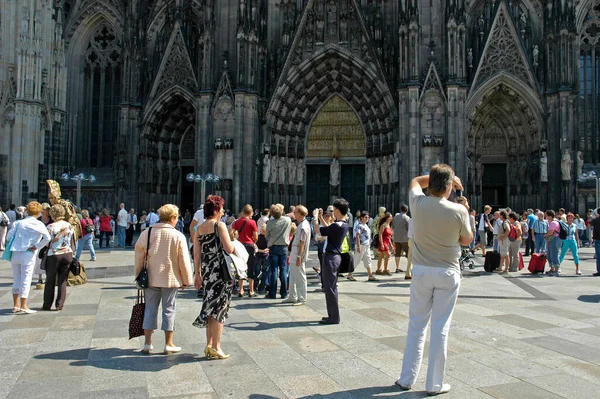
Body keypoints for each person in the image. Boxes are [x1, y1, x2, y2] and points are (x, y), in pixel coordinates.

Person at [397, 164, 472, 396]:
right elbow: (467, 240)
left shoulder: (417, 204)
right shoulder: (459, 211)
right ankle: (435, 384)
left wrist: (442, 178)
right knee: (440, 328)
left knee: (416, 325)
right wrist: (465, 210)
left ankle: (407, 378)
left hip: (421, 272)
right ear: (449, 187)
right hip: (447, 273)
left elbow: (415, 182)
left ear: (432, 182)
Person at [135, 204, 192, 355]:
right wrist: (186, 280)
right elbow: (184, 260)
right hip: (170, 279)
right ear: (173, 218)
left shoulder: (147, 233)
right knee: (169, 310)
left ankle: (147, 343)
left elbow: (139, 255)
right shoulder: (178, 236)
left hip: (151, 278)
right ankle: (168, 343)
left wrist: (138, 275)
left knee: (150, 309)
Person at [192, 195, 234, 360]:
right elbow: (229, 249)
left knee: (210, 308)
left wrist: (197, 275)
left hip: (208, 273)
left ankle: (209, 346)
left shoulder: (200, 228)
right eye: (222, 208)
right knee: (219, 310)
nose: (223, 211)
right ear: (216, 210)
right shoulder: (219, 225)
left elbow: (196, 255)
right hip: (221, 273)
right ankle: (216, 347)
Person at [6, 202, 50, 313]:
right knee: (26, 278)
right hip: (28, 253)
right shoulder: (39, 224)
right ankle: (24, 305)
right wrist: (37, 246)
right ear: (39, 212)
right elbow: (47, 238)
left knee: (16, 278)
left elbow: (8, 237)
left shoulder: (18, 223)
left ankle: (15, 305)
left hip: (15, 253)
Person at [312, 198, 350, 325]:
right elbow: (329, 229)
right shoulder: (343, 224)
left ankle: (334, 317)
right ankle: (332, 315)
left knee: (330, 288)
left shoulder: (337, 225)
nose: (332, 213)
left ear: (338, 210)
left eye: (333, 210)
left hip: (331, 257)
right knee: (330, 287)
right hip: (334, 256)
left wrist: (315, 218)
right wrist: (322, 218)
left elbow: (318, 230)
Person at [43, 204, 75, 311]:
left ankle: (47, 304)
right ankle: (59, 304)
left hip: (54, 255)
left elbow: (46, 242)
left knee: (50, 280)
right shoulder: (69, 226)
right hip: (67, 254)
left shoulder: (50, 227)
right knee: (62, 280)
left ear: (52, 213)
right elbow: (73, 241)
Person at [265, 204, 292, 299]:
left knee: (273, 270)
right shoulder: (287, 220)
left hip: (273, 247)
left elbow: (266, 235)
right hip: (284, 247)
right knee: (284, 270)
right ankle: (284, 293)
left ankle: (272, 293)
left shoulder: (270, 223)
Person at [284, 205, 310, 305]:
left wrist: (299, 256)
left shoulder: (304, 226)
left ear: (299, 213)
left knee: (300, 277)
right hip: (294, 253)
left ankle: (302, 298)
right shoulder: (301, 224)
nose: (294, 214)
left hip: (298, 255)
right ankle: (292, 296)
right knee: (293, 277)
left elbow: (302, 242)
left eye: (295, 212)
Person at [231, 205, 258, 297]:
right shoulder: (252, 222)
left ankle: (241, 290)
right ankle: (251, 291)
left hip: (240, 246)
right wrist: (253, 242)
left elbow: (231, 232)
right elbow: (255, 236)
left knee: (240, 267)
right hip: (249, 246)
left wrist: (234, 240)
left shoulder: (237, 222)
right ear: (251, 213)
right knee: (251, 267)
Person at [354, 211, 378, 282]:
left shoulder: (366, 225)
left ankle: (370, 275)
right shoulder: (359, 225)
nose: (367, 218)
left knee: (368, 260)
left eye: (368, 217)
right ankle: (350, 274)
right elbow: (357, 236)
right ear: (361, 218)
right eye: (365, 217)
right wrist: (358, 246)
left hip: (366, 245)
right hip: (361, 245)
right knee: (357, 260)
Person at [392, 205, 410, 273]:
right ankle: (409, 267)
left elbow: (393, 227)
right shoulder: (406, 217)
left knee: (397, 253)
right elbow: (409, 228)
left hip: (397, 238)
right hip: (405, 238)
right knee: (408, 253)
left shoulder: (395, 217)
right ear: (407, 210)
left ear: (400, 209)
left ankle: (397, 267)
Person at [545, 210, 562, 276]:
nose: (546, 218)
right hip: (553, 240)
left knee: (554, 254)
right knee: (550, 254)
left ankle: (556, 269)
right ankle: (552, 269)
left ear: (550, 216)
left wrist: (545, 235)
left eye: (546, 216)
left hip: (554, 240)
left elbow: (551, 232)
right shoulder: (554, 222)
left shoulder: (553, 223)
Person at [589, 209, 600, 276]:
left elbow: (588, 224)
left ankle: (599, 271)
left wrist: (594, 217)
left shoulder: (596, 220)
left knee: (598, 256)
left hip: (598, 239)